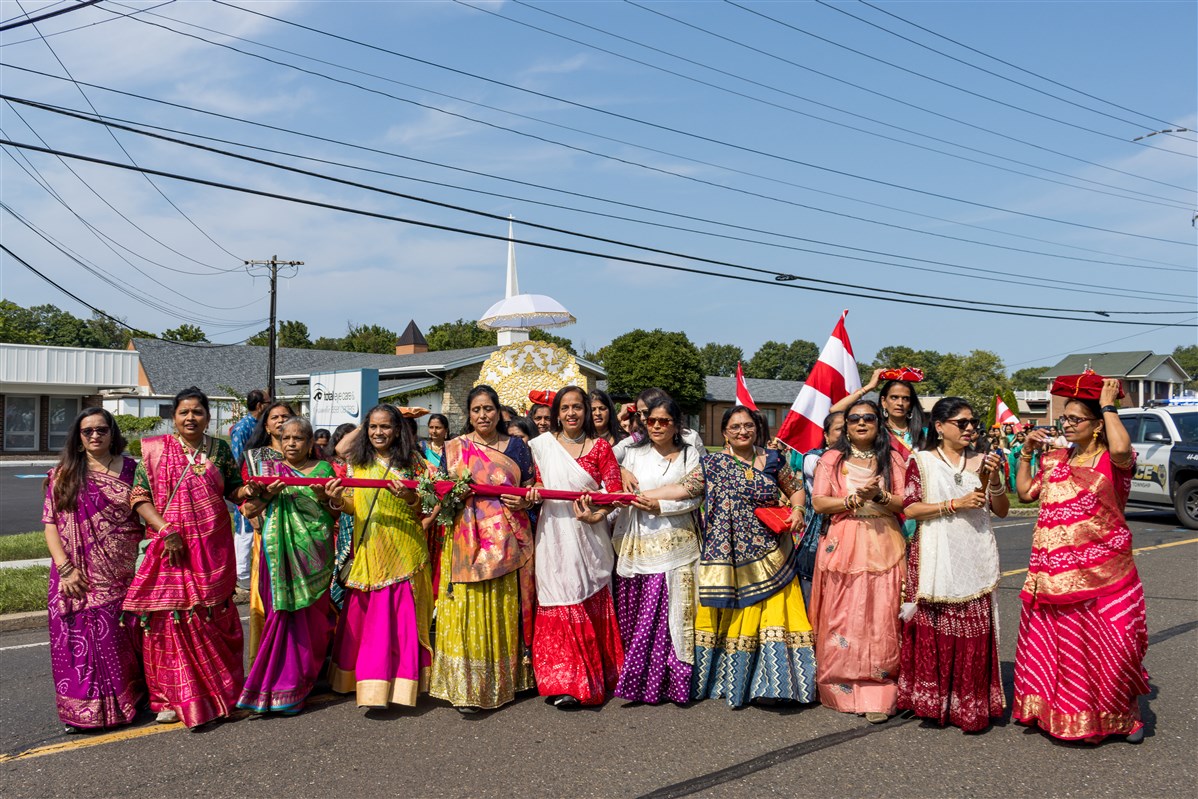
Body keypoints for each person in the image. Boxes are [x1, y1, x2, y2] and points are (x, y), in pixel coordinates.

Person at [644, 405, 812, 707]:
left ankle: (776, 686)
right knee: (733, 612)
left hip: (773, 551)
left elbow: (796, 489)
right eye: (735, 427)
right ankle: (733, 683)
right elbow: (683, 489)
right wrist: (642, 496)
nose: (743, 431)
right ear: (725, 434)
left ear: (756, 428)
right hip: (727, 555)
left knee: (773, 615)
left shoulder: (774, 459)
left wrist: (798, 509)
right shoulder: (714, 464)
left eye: (748, 425)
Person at [1013, 378, 1147, 744]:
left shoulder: (1112, 460)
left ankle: (1120, 718)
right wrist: (1025, 453)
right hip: (1055, 576)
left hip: (1107, 573)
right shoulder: (1054, 459)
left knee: (1114, 649)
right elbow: (1025, 493)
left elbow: (1121, 448)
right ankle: (1059, 715)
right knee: (1063, 652)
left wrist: (1108, 406)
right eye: (1065, 420)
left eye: (1076, 419)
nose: (1067, 425)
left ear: (1097, 425)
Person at [123, 387, 253, 729]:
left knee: (213, 617)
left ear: (208, 417)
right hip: (170, 549)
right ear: (174, 417)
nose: (190, 417)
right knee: (168, 622)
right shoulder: (154, 451)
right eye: (184, 412)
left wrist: (252, 490)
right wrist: (166, 530)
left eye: (197, 412)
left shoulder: (220, 450)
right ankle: (167, 698)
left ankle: (221, 694)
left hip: (212, 548)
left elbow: (234, 490)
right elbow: (138, 497)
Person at [898, 398, 1008, 732]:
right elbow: (911, 508)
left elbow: (1001, 510)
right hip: (935, 551)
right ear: (940, 427)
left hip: (974, 552)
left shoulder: (983, 461)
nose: (970, 428)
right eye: (962, 423)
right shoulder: (922, 461)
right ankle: (932, 704)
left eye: (973, 422)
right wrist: (953, 504)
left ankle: (969, 706)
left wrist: (997, 480)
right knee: (936, 624)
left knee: (973, 626)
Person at [430, 385, 538, 712]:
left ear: (498, 411)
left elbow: (533, 485)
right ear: (469, 414)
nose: (483, 415)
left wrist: (524, 497)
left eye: (488, 409)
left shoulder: (517, 447)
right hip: (466, 540)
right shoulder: (455, 449)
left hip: (507, 538)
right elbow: (440, 495)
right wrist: (452, 496)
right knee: (467, 606)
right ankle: (467, 687)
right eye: (476, 410)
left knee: (502, 605)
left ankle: (505, 682)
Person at [42, 408, 144, 732]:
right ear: (79, 437)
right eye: (88, 431)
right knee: (75, 642)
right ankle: (81, 713)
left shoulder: (133, 470)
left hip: (120, 572)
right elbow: (50, 525)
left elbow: (145, 513)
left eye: (102, 429)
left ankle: (127, 703)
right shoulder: (64, 474)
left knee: (119, 639)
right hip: (73, 574)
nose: (96, 435)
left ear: (113, 433)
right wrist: (66, 568)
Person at [528, 385, 626, 708]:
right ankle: (561, 682)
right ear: (556, 413)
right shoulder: (542, 446)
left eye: (577, 407)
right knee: (557, 596)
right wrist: (535, 490)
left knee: (582, 593)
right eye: (565, 408)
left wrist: (596, 514)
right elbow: (541, 482)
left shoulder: (600, 448)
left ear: (586, 411)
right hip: (553, 535)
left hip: (588, 536)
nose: (571, 413)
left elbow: (613, 493)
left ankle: (588, 680)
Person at [329, 404, 432, 710]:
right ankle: (367, 687)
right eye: (373, 427)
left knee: (399, 626)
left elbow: (425, 505)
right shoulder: (359, 460)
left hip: (404, 552)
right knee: (371, 624)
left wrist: (410, 497)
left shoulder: (414, 463)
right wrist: (337, 501)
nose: (378, 433)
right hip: (370, 550)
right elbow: (351, 502)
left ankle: (400, 689)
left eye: (386, 426)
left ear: (398, 430)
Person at [810, 400, 907, 723]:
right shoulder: (832, 459)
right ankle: (840, 685)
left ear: (879, 423)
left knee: (882, 615)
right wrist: (852, 499)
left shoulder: (892, 459)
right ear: (846, 426)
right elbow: (820, 502)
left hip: (883, 540)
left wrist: (879, 497)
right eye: (854, 419)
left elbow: (906, 501)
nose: (861, 423)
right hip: (844, 541)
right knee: (843, 614)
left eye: (869, 418)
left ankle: (879, 689)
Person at [236, 417, 338, 715]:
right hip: (277, 554)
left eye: (299, 438)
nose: (292, 443)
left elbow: (334, 515)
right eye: (286, 438)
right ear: (279, 442)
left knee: (312, 621)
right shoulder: (269, 472)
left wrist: (324, 497)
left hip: (314, 554)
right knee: (280, 617)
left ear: (310, 444)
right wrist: (268, 492)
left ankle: (303, 681)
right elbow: (248, 510)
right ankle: (276, 684)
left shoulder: (324, 470)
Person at [611, 395, 702, 705]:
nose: (658, 426)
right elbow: (601, 462)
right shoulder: (632, 454)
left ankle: (673, 684)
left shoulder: (690, 455)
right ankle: (640, 684)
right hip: (638, 546)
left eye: (665, 421)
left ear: (676, 425)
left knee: (673, 618)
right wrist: (619, 471)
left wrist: (659, 505)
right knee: (642, 617)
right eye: (652, 421)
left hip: (678, 547)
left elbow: (695, 497)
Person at [242, 401, 299, 660]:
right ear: (265, 424)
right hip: (266, 533)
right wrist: (250, 511)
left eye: (285, 416)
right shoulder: (256, 456)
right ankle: (265, 658)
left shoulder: (305, 455)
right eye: (274, 417)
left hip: (300, 536)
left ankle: (296, 657)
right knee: (266, 597)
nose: (279, 421)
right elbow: (242, 492)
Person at [785, 411, 845, 608]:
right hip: (819, 537)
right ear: (826, 436)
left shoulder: (868, 459)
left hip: (853, 537)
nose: (846, 431)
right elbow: (836, 477)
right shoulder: (814, 458)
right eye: (839, 429)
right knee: (814, 595)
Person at [229, 388, 268, 591]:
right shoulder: (243, 427)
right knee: (244, 529)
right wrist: (242, 487)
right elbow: (237, 458)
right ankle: (241, 574)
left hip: (261, 485)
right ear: (260, 405)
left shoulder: (260, 425)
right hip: (245, 485)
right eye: (268, 403)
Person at [326, 422, 357, 611]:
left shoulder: (360, 463)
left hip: (365, 525)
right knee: (342, 571)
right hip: (342, 522)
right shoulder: (338, 464)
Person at [421, 412, 450, 599]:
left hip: (446, 508)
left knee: (441, 553)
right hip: (426, 507)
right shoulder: (421, 450)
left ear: (446, 431)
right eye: (431, 427)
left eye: (438, 427)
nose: (434, 431)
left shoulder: (451, 449)